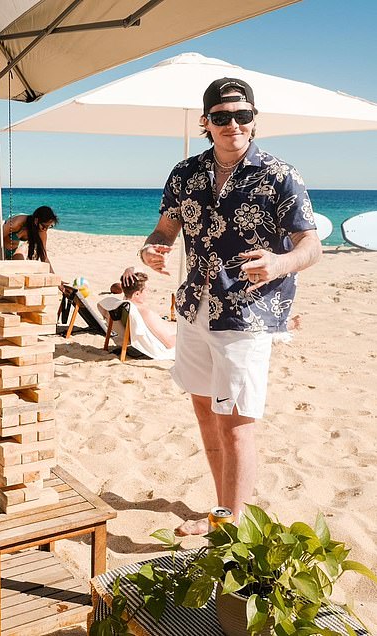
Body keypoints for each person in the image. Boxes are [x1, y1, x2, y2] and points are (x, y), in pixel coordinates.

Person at [137, 78, 322, 535]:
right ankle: (221, 509)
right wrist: (151, 248)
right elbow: (165, 229)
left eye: (241, 115)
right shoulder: (184, 173)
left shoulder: (280, 175)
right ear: (207, 123)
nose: (232, 124)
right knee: (205, 412)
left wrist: (280, 263)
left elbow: (311, 244)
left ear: (254, 119)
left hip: (247, 315)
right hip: (194, 307)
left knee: (236, 425)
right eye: (221, 117)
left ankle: (229, 525)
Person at [98, 270, 176, 351]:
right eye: (146, 290)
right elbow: (169, 343)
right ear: (137, 294)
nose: (148, 293)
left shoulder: (121, 307)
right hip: (171, 337)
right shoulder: (146, 314)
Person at [0, 205, 58, 271]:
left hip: (15, 251)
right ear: (36, 221)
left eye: (49, 227)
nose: (45, 229)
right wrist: (1, 261)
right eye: (44, 226)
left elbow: (44, 256)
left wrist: (55, 276)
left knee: (20, 271)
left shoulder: (41, 232)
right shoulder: (17, 222)